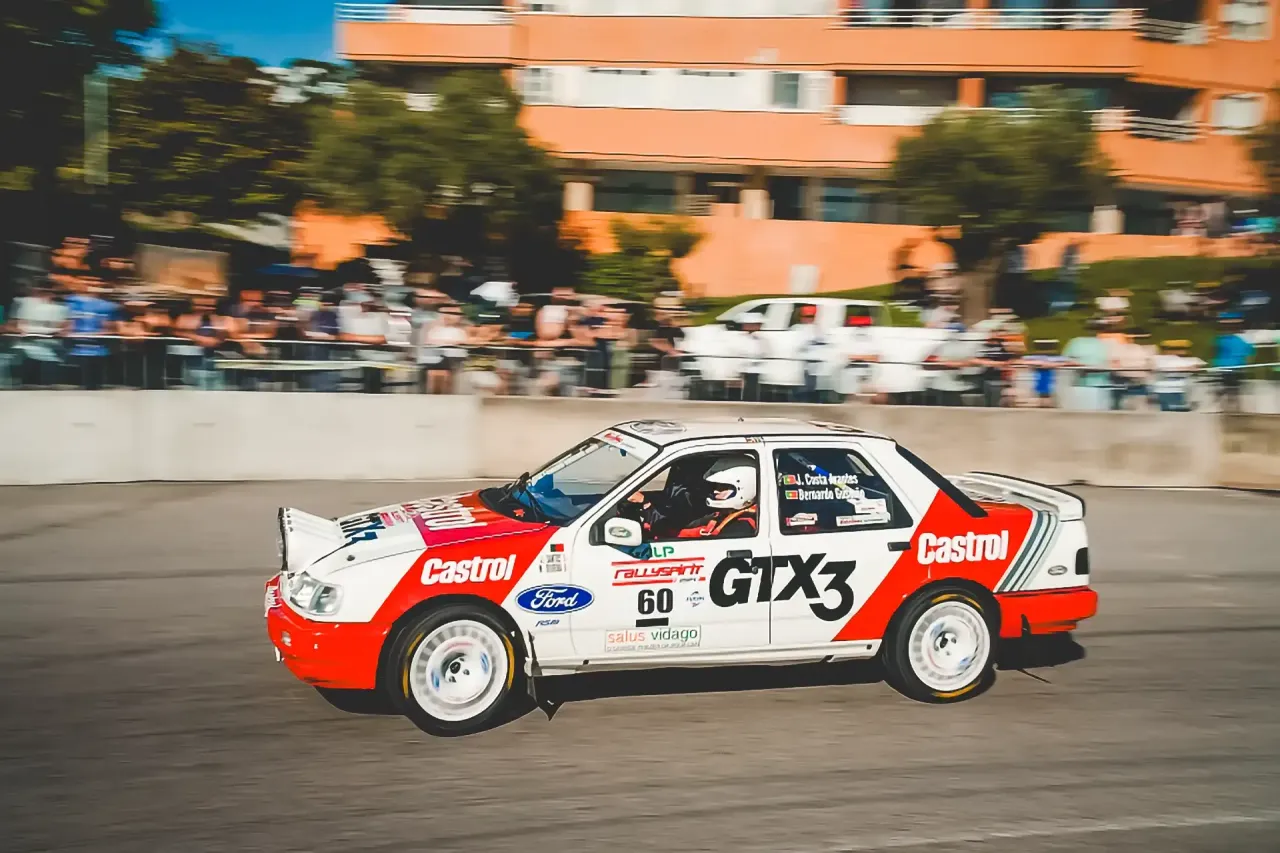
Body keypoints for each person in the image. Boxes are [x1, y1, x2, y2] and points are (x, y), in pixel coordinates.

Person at [627, 455, 759, 541]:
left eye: (723, 487)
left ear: (743, 489)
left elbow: (689, 538)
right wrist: (648, 505)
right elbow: (684, 527)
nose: (715, 491)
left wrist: (647, 506)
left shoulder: (742, 527)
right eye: (716, 486)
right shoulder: (721, 513)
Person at [1213, 313, 1254, 412]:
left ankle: (1231, 406)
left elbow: (1217, 351)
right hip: (1231, 367)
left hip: (1229, 367)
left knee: (1232, 388)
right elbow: (1249, 354)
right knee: (1233, 388)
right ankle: (1232, 407)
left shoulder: (1223, 339)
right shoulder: (1227, 339)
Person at [1151, 340, 1203, 412]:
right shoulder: (1159, 359)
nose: (1179, 351)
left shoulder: (1189, 360)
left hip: (1180, 383)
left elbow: (1196, 366)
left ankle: (1179, 404)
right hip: (1166, 383)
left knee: (1191, 383)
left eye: (1181, 349)